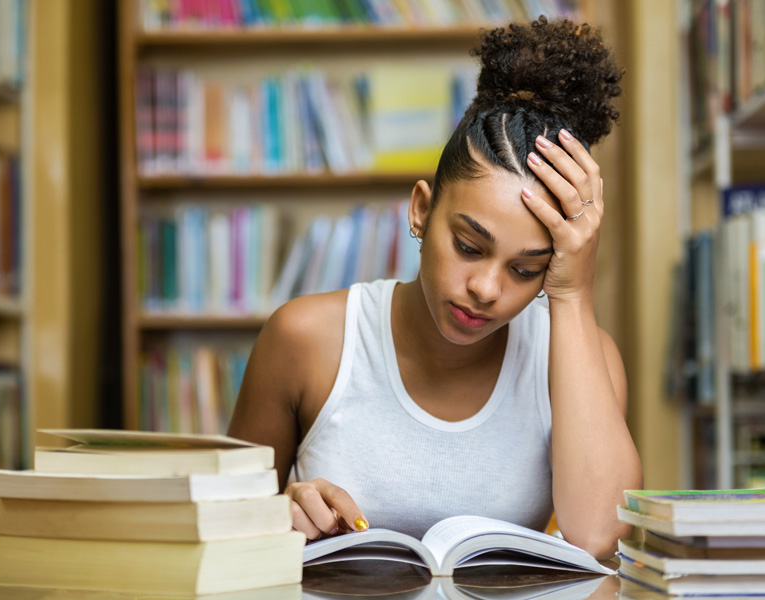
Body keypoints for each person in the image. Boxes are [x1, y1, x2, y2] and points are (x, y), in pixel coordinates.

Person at [228, 15, 642, 560]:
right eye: (469, 246)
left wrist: (571, 294)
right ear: (421, 210)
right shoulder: (304, 339)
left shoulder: (583, 356)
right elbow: (222, 530)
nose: (487, 289)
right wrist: (280, 508)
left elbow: (598, 535)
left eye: (526, 269)